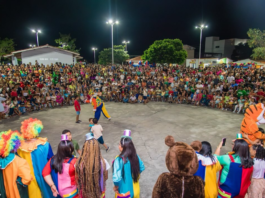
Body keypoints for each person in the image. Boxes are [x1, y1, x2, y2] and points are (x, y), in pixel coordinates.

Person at [17, 118, 54, 198]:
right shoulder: (45, 145)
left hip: (28, 178)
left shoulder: (20, 147)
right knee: (48, 193)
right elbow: (52, 161)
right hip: (45, 176)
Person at [75, 133, 110, 198]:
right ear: (97, 148)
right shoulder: (103, 162)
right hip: (99, 192)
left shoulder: (79, 163)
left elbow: (78, 177)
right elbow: (106, 177)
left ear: (84, 148)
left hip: (85, 193)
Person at [113, 130, 145, 198]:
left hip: (124, 193)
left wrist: (116, 186)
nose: (118, 146)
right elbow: (142, 167)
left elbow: (116, 178)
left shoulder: (118, 159)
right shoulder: (135, 156)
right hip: (135, 190)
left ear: (123, 147)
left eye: (119, 144)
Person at [0, 130, 32, 198]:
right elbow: (27, 178)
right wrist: (20, 182)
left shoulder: (1, 161)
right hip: (17, 193)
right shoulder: (20, 161)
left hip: (6, 192)